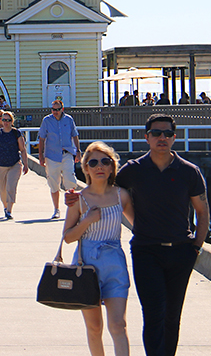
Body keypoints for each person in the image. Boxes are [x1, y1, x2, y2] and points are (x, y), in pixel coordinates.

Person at [66, 113, 210, 356]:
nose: (161, 137)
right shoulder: (134, 170)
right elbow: (103, 186)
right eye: (156, 133)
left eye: (167, 133)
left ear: (175, 137)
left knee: (172, 314)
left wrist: (195, 246)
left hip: (180, 252)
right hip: (146, 252)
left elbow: (202, 211)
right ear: (147, 137)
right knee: (153, 312)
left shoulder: (189, 171)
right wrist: (75, 198)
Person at [63, 141, 134, 356]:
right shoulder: (79, 200)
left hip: (115, 265)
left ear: (112, 166)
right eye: (93, 162)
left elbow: (140, 226)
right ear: (85, 169)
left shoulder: (121, 195)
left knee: (118, 325)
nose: (99, 166)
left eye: (105, 161)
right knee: (94, 328)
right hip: (87, 266)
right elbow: (68, 237)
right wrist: (87, 221)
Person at [38, 100, 81, 219]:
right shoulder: (47, 120)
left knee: (70, 180)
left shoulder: (69, 119)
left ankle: (72, 209)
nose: (55, 112)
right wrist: (41, 156)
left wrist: (78, 151)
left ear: (62, 109)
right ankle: (56, 209)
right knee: (54, 183)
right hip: (51, 156)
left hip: (67, 153)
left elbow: (75, 135)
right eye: (53, 109)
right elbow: (41, 138)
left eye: (57, 109)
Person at [0, 110, 28, 219]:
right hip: (0, 165)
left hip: (14, 164)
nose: (6, 122)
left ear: (12, 121)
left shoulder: (16, 133)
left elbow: (23, 150)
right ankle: (5, 207)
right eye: (4, 120)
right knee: (2, 189)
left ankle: (9, 210)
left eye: (8, 120)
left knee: (11, 187)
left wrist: (26, 164)